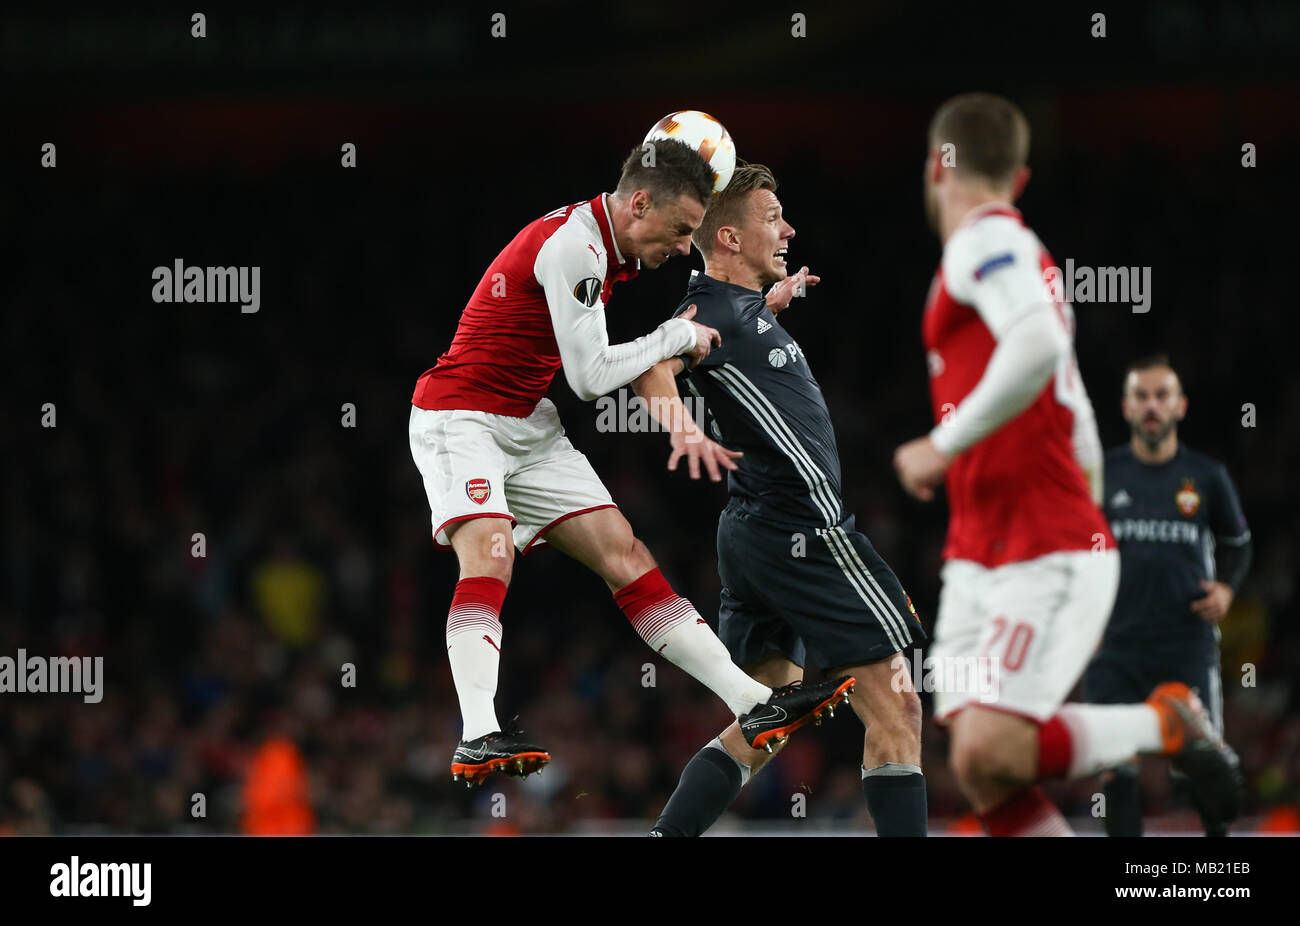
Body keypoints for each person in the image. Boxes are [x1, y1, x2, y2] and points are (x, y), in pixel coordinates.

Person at [408, 138, 849, 786]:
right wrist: (675, 336)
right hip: (461, 417)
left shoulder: (610, 244)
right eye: (676, 232)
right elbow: (590, 378)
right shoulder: (574, 247)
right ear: (638, 203)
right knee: (492, 551)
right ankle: (477, 733)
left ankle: (752, 704)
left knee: (625, 554)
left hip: (528, 422)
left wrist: (757, 305)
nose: (678, 249)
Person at [892, 92, 1239, 835]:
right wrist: (1084, 484)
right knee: (980, 765)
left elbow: (1040, 345)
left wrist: (941, 445)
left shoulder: (985, 243)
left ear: (936, 165)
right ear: (1019, 177)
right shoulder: (1019, 255)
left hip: (1037, 543)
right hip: (983, 548)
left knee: (994, 746)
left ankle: (1166, 725)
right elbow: (1073, 399)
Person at [632, 162, 925, 836]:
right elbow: (654, 365)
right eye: (772, 218)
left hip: (756, 533)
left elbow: (733, 333)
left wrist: (770, 306)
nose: (788, 229)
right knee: (898, 709)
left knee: (769, 718)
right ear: (729, 238)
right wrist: (683, 431)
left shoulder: (737, 310)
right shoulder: (704, 313)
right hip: (806, 530)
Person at [1083, 355, 1251, 835]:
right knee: (1116, 771)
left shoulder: (1207, 476)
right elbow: (1075, 552)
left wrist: (1227, 589)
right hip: (1115, 647)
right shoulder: (1101, 475)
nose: (1152, 405)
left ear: (1180, 406)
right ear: (1126, 406)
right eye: (1141, 396)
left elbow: (1239, 546)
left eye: (1162, 396)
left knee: (1205, 770)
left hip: (1187, 644)